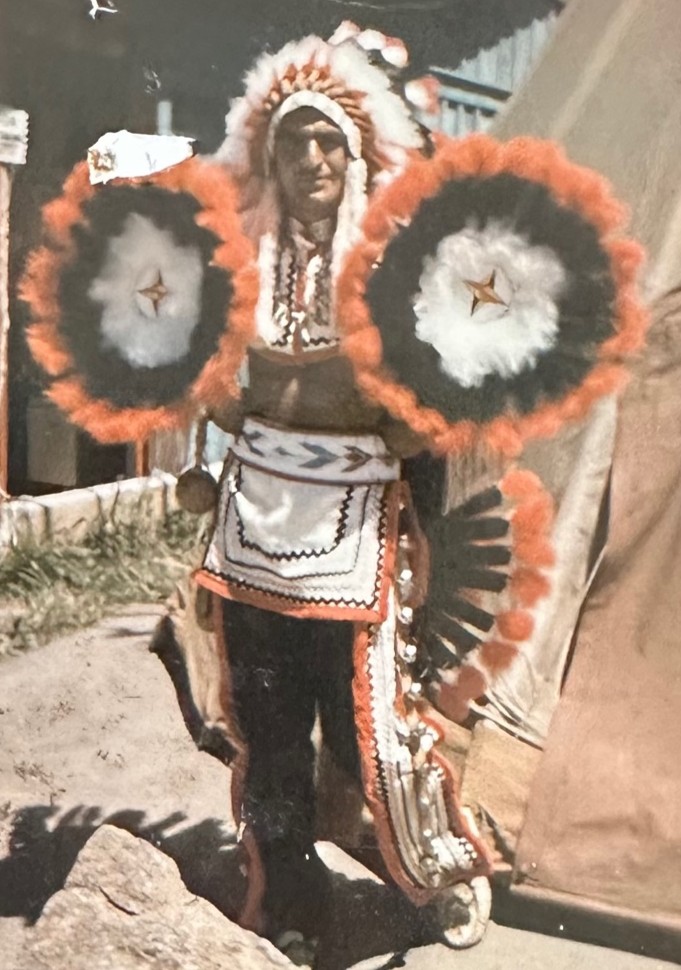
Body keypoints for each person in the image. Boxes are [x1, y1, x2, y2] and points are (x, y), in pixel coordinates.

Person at [180, 29, 491, 962]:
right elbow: (211, 391)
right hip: (251, 532)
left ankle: (437, 874)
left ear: (354, 157)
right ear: (269, 156)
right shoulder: (238, 266)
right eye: (292, 143)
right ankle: (288, 900)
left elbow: (437, 408)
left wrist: (416, 467)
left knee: (370, 733)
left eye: (327, 144)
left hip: (362, 535)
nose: (310, 160)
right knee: (267, 733)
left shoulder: (398, 270)